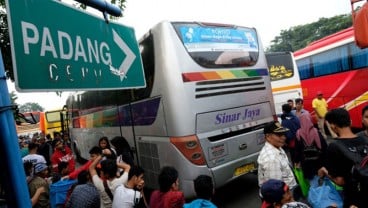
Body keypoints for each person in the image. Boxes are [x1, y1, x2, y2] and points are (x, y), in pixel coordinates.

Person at [318, 108, 368, 207]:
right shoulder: (364, 139)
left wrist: (324, 171)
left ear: (333, 126)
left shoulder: (334, 147)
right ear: (350, 121)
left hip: (354, 199)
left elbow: (340, 181)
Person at [257, 121, 298, 194]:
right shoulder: (272, 159)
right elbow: (276, 190)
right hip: (284, 196)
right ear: (268, 137)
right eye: (279, 135)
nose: (284, 137)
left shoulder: (277, 147)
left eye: (283, 134)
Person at [294, 113, 328, 180]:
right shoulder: (316, 131)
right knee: (322, 180)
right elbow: (324, 147)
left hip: (306, 162)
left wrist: (296, 161)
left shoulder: (298, 133)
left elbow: (297, 150)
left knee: (311, 181)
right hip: (318, 160)